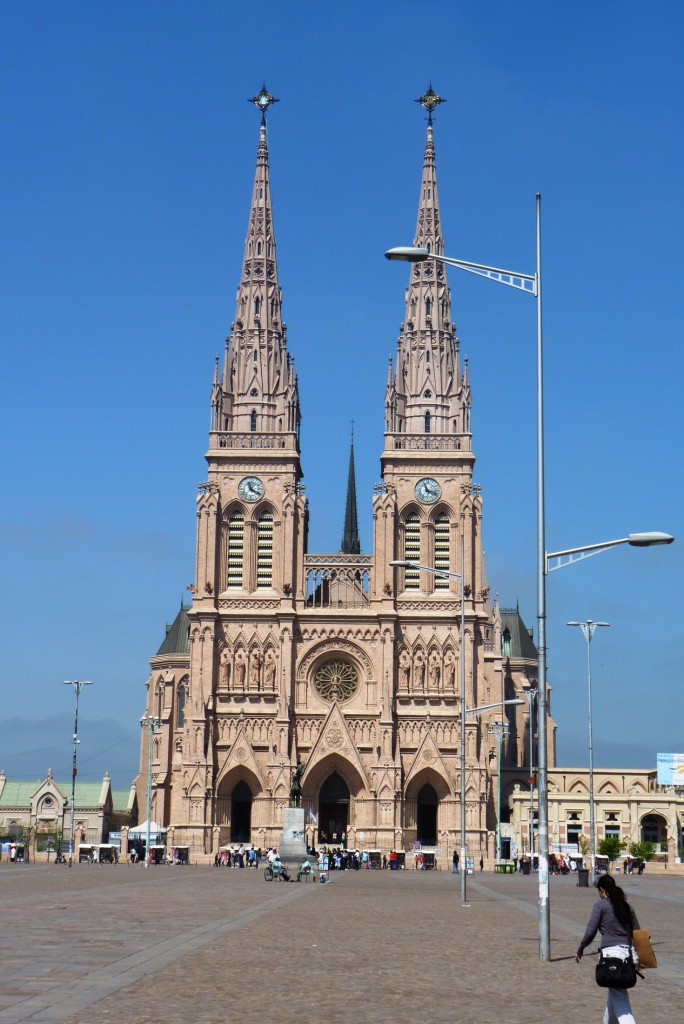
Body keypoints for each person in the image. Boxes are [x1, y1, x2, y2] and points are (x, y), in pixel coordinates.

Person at [575, 873, 640, 1024]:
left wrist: (581, 948)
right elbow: (637, 933)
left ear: (603, 890)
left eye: (599, 891)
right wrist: (639, 959)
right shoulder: (626, 907)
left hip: (611, 956)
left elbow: (591, 931)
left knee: (620, 1000)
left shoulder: (601, 905)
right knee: (615, 993)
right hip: (627, 955)